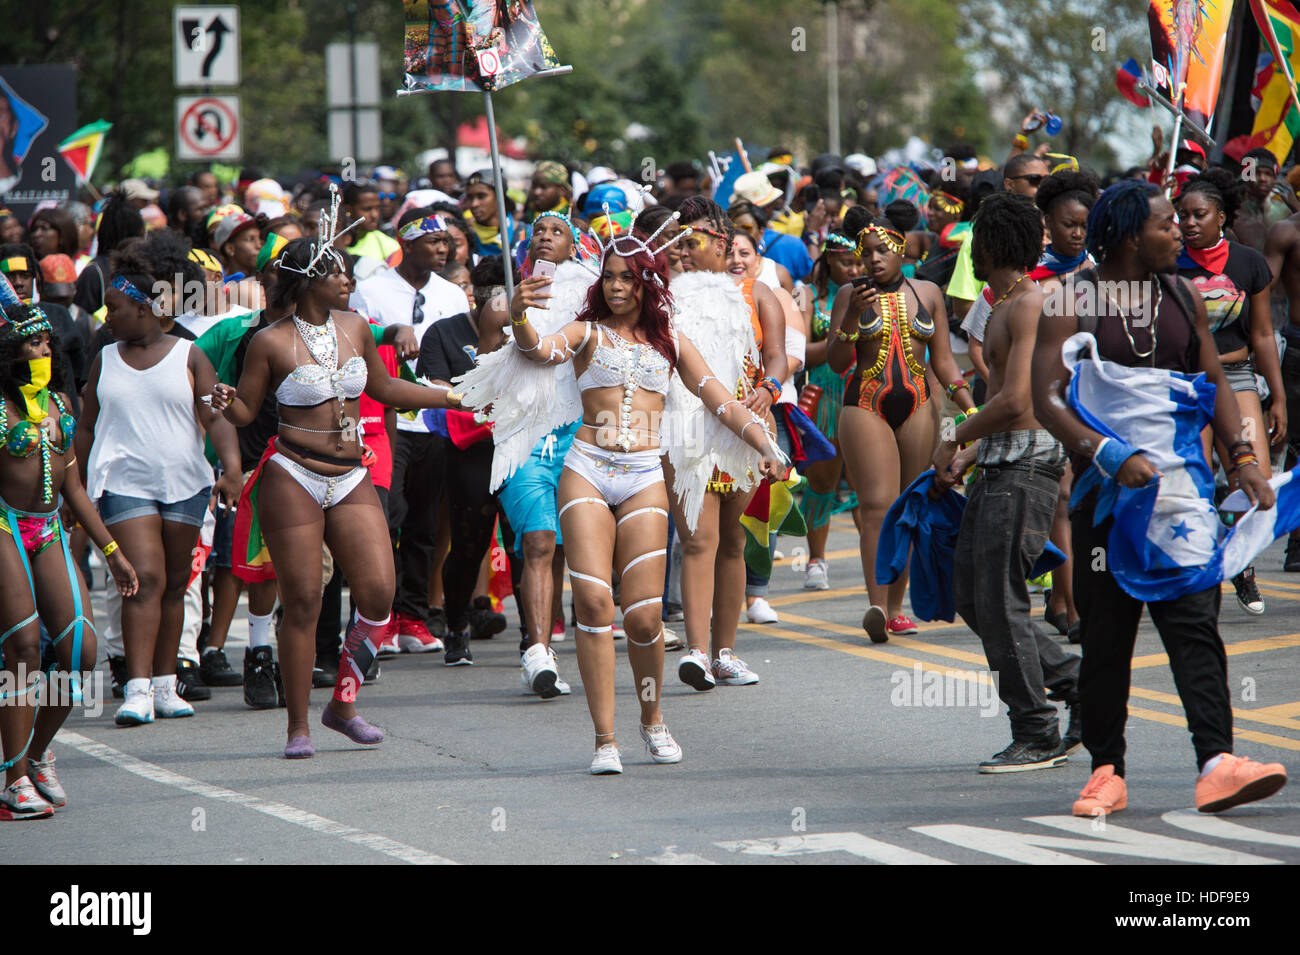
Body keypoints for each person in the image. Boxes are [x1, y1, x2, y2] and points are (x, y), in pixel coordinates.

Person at [458, 221, 783, 773]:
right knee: (591, 605)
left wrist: (765, 443)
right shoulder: (584, 332)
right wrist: (516, 313)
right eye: (608, 277)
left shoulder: (671, 340)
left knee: (643, 617)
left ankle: (652, 721)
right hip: (585, 469)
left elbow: (720, 401)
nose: (615, 287)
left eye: (627, 279)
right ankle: (604, 739)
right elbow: (537, 350)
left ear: (647, 284)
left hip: (641, 477)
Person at [1031, 179, 1287, 817]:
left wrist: (1246, 459)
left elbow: (1214, 383)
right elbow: (1049, 397)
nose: (1180, 231)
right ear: (1127, 236)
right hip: (1105, 504)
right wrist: (1110, 455)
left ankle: (1216, 763)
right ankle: (1106, 770)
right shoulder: (1073, 300)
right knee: (1108, 636)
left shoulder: (1182, 295)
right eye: (1166, 225)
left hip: (1182, 495)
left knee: (1195, 627)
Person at [208, 202, 459, 759]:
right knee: (303, 601)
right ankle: (298, 726)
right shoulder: (269, 342)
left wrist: (454, 395)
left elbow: (389, 391)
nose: (348, 278)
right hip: (291, 473)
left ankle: (342, 704)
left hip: (351, 473)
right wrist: (225, 401)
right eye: (337, 271)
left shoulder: (356, 329)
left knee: (378, 591)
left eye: (348, 270)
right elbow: (248, 412)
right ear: (309, 281)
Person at [932, 192, 1081, 772]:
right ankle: (1077, 681)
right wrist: (969, 454)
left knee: (1000, 596)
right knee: (972, 593)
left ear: (987, 246)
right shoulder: (1004, 306)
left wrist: (952, 436)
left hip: (1026, 467)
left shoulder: (1028, 306)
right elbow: (1001, 399)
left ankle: (1037, 729)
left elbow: (1020, 399)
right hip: (1000, 462)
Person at [75, 233, 244, 726]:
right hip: (123, 481)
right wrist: (79, 488)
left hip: (185, 483)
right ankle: (137, 687)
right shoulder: (104, 357)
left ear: (146, 308)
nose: (107, 317)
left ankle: (168, 685)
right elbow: (86, 426)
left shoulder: (189, 355)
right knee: (142, 580)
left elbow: (216, 417)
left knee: (173, 584)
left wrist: (230, 469)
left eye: (115, 307)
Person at [0, 304, 138, 819]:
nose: (41, 352)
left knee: (79, 649)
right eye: (30, 344)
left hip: (49, 528)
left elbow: (74, 488)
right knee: (24, 645)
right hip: (3, 526)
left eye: (45, 344)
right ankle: (12, 779)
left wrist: (112, 552)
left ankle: (35, 756)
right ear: (7, 353)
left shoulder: (59, 402)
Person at [828, 213, 972, 642]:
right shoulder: (848, 295)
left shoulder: (927, 292)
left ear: (902, 249)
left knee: (909, 506)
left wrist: (971, 410)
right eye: (865, 253)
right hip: (865, 404)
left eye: (880, 251)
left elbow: (944, 361)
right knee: (876, 506)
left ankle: (896, 608)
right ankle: (876, 605)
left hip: (918, 405)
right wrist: (852, 318)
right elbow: (837, 362)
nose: (871, 260)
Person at [670, 196, 788, 688]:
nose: (683, 252)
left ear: (720, 242)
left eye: (692, 242)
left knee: (735, 543)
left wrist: (768, 390)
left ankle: (726, 652)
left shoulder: (758, 293)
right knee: (698, 540)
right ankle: (696, 651)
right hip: (689, 428)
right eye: (679, 244)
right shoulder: (669, 296)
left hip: (747, 427)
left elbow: (778, 357)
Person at [350, 210, 468, 650]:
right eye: (433, 241)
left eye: (446, 242)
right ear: (407, 242)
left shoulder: (453, 294)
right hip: (385, 420)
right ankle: (375, 621)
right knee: (385, 518)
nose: (443, 249)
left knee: (424, 523)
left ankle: (412, 618)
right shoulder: (371, 290)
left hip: (436, 421)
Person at [1175, 169, 1284, 616]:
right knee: (1194, 478)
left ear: (1221, 216)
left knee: (1250, 474)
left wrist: (1276, 397)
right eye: (1182, 215)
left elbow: (1260, 333)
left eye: (1199, 214)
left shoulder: (1247, 262)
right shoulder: (1168, 263)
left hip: (1237, 376)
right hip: (1186, 382)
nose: (1188, 223)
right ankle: (1196, 573)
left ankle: (1241, 565)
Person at [493, 213, 592, 694]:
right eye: (539, 232)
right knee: (537, 542)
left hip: (577, 432)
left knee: (566, 547)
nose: (545, 238)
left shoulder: (591, 290)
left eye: (557, 232)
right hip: (524, 434)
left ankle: (560, 635)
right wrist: (511, 308)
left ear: (575, 245)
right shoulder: (507, 289)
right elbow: (494, 338)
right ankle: (536, 652)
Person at [727, 228, 809, 624]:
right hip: (710, 415)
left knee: (767, 496)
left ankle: (756, 594)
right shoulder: (698, 295)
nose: (736, 260)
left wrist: (765, 389)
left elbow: (792, 353)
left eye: (745, 252)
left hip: (768, 410)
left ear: (758, 258)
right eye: (729, 252)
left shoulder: (772, 294)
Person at [799, 222, 865, 591]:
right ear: (829, 262)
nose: (855, 270)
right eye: (847, 263)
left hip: (863, 395)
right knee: (821, 481)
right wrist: (842, 342)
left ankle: (878, 560)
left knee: (865, 483)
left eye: (860, 262)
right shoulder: (808, 296)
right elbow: (800, 355)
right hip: (824, 398)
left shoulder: (873, 293)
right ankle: (815, 560)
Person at [343, 183, 400, 277]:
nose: (374, 215)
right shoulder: (334, 243)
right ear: (348, 209)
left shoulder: (390, 246)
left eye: (377, 208)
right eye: (367, 209)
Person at [462, 169, 516, 259]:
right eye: (470, 197)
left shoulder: (525, 234)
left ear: (500, 196)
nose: (474, 204)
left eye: (481, 196)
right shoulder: (465, 238)